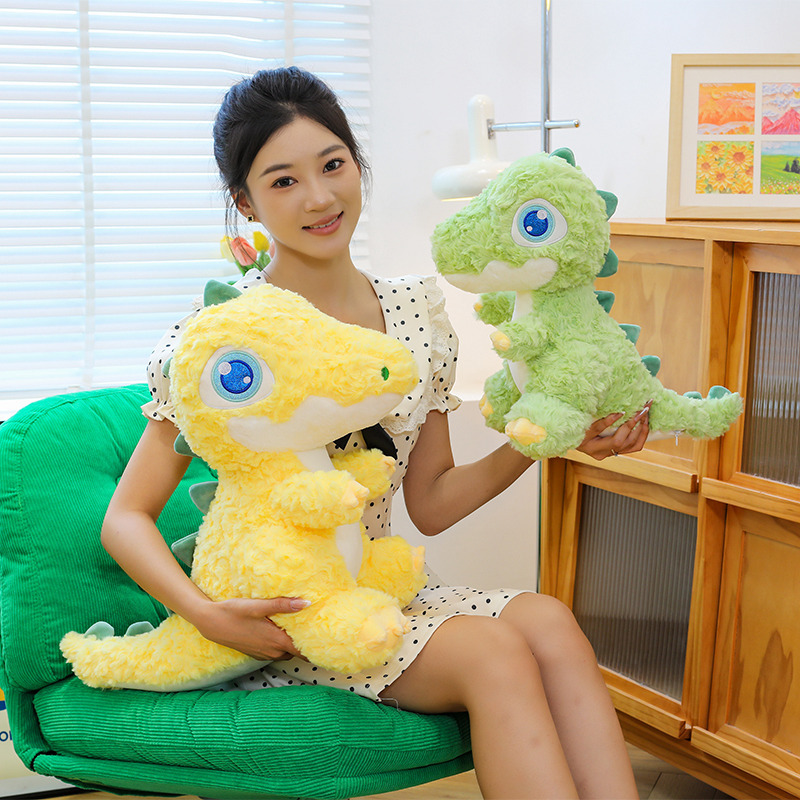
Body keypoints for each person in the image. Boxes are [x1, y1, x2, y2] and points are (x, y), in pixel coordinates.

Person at [103, 66, 650, 799]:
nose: (320, 197)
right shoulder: (228, 340)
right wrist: (207, 615)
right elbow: (125, 517)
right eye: (284, 180)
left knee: (549, 621)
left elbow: (433, 502)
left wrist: (547, 434)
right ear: (246, 202)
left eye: (333, 165)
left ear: (357, 164)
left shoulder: (417, 315)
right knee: (491, 653)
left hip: (380, 588)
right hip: (290, 614)